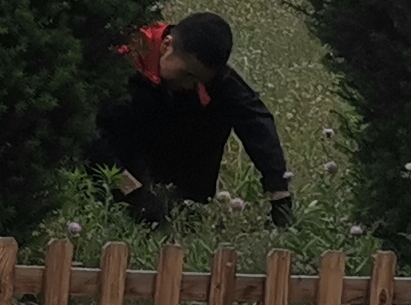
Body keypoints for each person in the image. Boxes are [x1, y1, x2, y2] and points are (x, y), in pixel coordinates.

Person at [97, 13, 295, 231]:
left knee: (220, 104)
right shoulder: (123, 58)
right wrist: (132, 191)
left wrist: (278, 190)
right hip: (117, 156)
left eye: (199, 79)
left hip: (176, 157)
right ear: (166, 45)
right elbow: (92, 138)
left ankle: (186, 205)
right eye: (188, 75)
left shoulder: (204, 73)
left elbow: (254, 118)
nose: (190, 84)